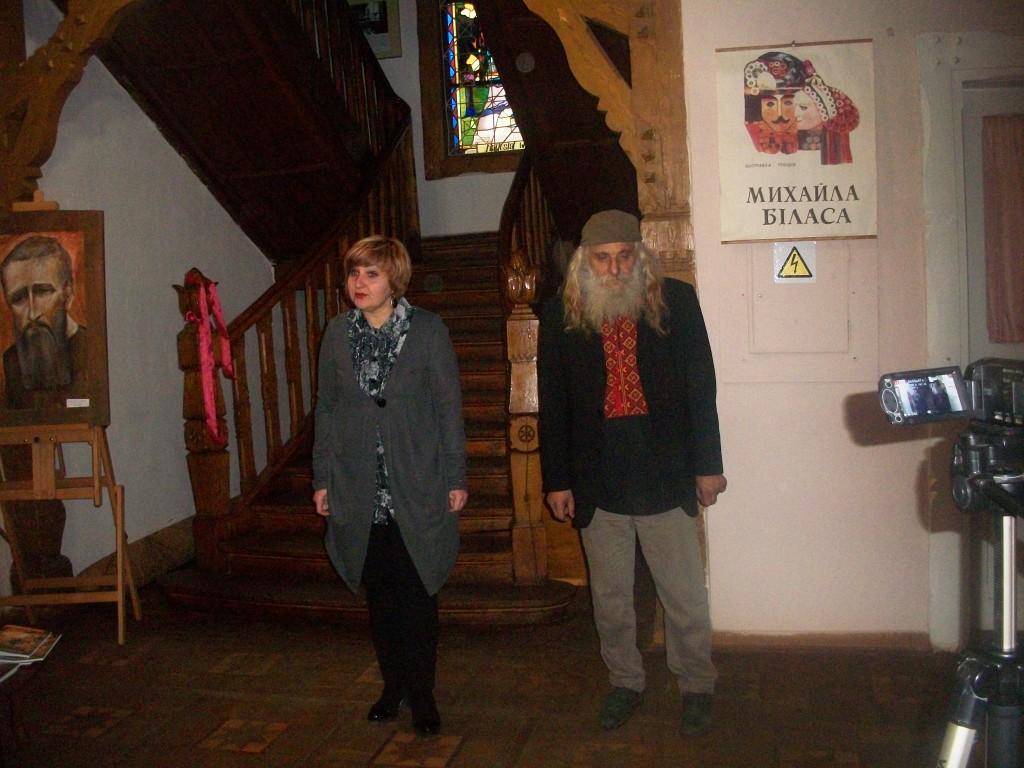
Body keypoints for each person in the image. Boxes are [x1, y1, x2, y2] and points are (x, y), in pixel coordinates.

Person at [537, 210, 727, 737]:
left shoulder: (676, 301)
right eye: (603, 259)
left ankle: (697, 684)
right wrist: (557, 479)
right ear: (584, 262)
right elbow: (554, 404)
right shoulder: (559, 314)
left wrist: (708, 465)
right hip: (598, 475)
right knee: (611, 597)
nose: (615, 268)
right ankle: (625, 680)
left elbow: (700, 385)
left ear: (640, 257)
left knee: (683, 594)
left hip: (664, 467)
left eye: (624, 257)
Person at [312, 235, 468, 736]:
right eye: (354, 273)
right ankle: (392, 686)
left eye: (371, 274)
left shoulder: (428, 330)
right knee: (380, 597)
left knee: (418, 593)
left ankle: (422, 693)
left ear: (394, 279)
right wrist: (322, 478)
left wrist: (455, 475)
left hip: (416, 482)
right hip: (359, 486)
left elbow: (448, 409)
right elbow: (327, 410)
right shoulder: (337, 333)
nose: (359, 283)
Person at [0, 235, 87, 409]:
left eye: (42, 292)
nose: (32, 313)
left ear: (68, 294)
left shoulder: (91, 351)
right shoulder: (11, 361)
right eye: (19, 298)